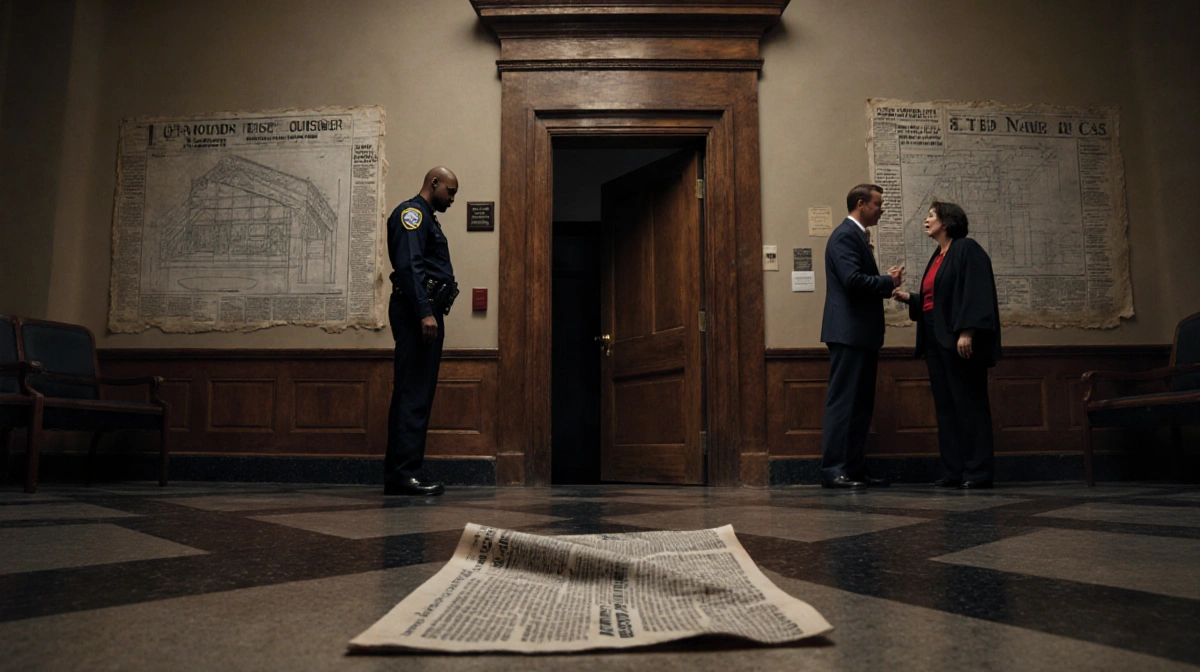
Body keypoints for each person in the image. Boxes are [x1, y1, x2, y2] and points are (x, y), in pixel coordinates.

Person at [892, 201, 1001, 489]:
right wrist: (911, 299)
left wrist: (968, 331)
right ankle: (954, 471)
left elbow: (977, 292)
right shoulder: (938, 255)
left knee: (969, 404)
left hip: (957, 339)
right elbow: (939, 301)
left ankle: (977, 472)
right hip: (934, 338)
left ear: (947, 221)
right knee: (946, 406)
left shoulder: (966, 248)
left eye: (931, 216)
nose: (926, 220)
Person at [820, 184, 905, 489]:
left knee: (860, 405)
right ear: (861, 203)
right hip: (849, 332)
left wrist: (884, 282)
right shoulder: (845, 235)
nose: (882, 209)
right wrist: (888, 281)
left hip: (860, 334)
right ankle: (834, 470)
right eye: (878, 204)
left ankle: (853, 469)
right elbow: (853, 281)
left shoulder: (856, 236)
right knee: (845, 402)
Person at [384, 167, 460, 496]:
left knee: (417, 392)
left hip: (422, 312)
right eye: (450, 191)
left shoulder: (428, 218)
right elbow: (409, 265)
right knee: (413, 393)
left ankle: (403, 472)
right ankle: (403, 475)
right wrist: (425, 312)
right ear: (434, 183)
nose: (452, 198)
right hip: (417, 313)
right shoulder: (412, 215)